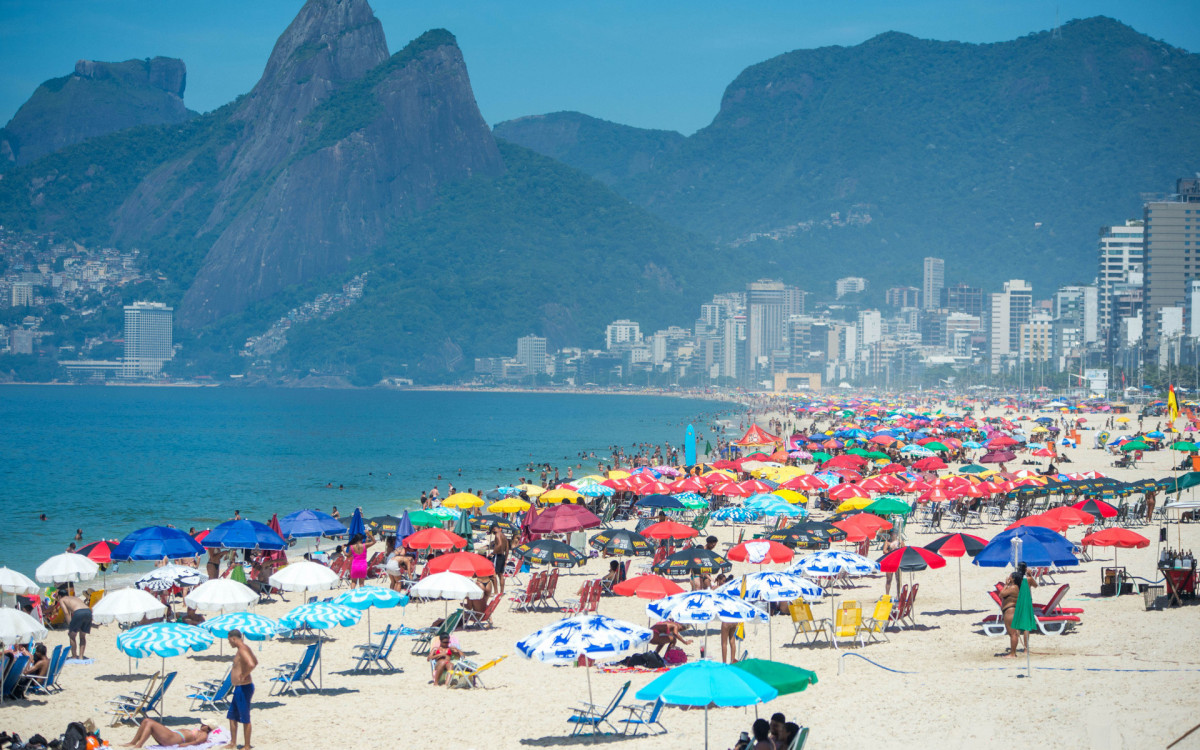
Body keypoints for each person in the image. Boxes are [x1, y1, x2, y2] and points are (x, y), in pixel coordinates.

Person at [226, 629, 257, 750]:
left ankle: (247, 745)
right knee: (232, 715)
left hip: (244, 687)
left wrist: (244, 674)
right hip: (240, 687)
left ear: (234, 639)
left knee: (245, 717)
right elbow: (255, 661)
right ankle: (233, 743)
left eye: (229, 640)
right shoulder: (244, 648)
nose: (229, 643)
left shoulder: (243, 649)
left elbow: (251, 664)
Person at [998, 563, 1035, 658]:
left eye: (1010, 576)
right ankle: (1013, 652)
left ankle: (1012, 654)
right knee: (1014, 633)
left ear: (1013, 579)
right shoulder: (1018, 587)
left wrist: (1006, 584)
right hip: (1012, 610)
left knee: (1013, 634)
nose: (1008, 577)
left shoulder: (1013, 588)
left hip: (1010, 611)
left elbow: (1001, 594)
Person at [121, 720, 212, 748]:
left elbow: (196, 742)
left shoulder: (204, 735)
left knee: (150, 723)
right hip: (171, 735)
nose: (202, 724)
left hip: (172, 738)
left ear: (208, 728)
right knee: (145, 721)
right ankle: (133, 742)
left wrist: (182, 745)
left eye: (204, 724)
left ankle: (139, 745)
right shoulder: (200, 731)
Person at [55, 589, 91, 659]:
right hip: (88, 611)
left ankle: (74, 656)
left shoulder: (62, 600)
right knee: (82, 636)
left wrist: (70, 625)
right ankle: (81, 656)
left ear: (59, 596)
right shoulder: (75, 598)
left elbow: (66, 613)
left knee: (72, 635)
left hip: (79, 613)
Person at [490, 524, 510, 594]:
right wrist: (505, 559)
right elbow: (507, 549)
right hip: (503, 556)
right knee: (501, 575)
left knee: (493, 574)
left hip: (498, 556)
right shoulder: (504, 536)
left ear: (494, 529)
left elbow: (500, 544)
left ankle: (496, 592)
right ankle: (501, 592)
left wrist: (493, 552)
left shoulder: (497, 534)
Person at [882, 530, 902, 599]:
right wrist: (891, 550)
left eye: (894, 535)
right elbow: (884, 551)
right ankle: (887, 595)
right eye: (892, 535)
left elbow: (904, 550)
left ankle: (898, 594)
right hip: (889, 562)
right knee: (888, 579)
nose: (893, 536)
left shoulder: (900, 543)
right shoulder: (887, 543)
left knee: (898, 579)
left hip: (897, 562)